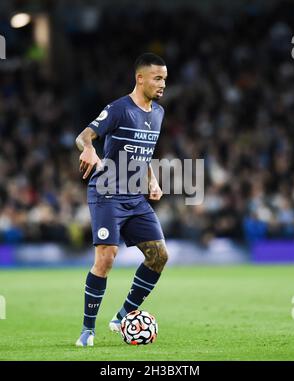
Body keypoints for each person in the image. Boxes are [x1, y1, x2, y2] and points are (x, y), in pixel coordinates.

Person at [75, 53, 169, 346]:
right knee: (106, 258)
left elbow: (145, 152)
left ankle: (122, 315)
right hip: (106, 193)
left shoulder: (158, 113)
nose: (162, 84)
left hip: (135, 197)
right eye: (157, 78)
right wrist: (89, 149)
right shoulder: (118, 109)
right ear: (140, 78)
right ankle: (87, 331)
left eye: (164, 78)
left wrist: (151, 179)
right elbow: (84, 136)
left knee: (159, 256)